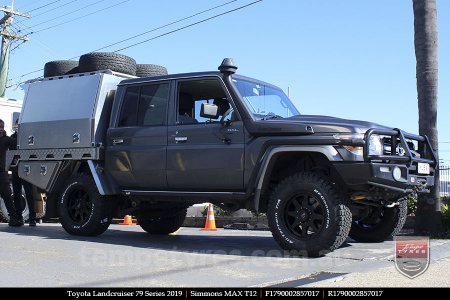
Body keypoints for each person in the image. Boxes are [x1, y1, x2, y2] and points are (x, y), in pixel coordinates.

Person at [10, 119, 37, 226]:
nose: (18, 126)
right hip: (15, 169)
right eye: (17, 124)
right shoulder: (13, 137)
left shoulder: (29, 137)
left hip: (26, 170)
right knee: (16, 195)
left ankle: (32, 219)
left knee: (30, 194)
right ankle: (19, 218)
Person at [0, 119, 22, 226]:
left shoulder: (6, 140)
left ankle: (13, 219)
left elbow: (17, 144)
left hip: (2, 173)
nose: (1, 129)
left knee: (7, 196)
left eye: (2, 127)